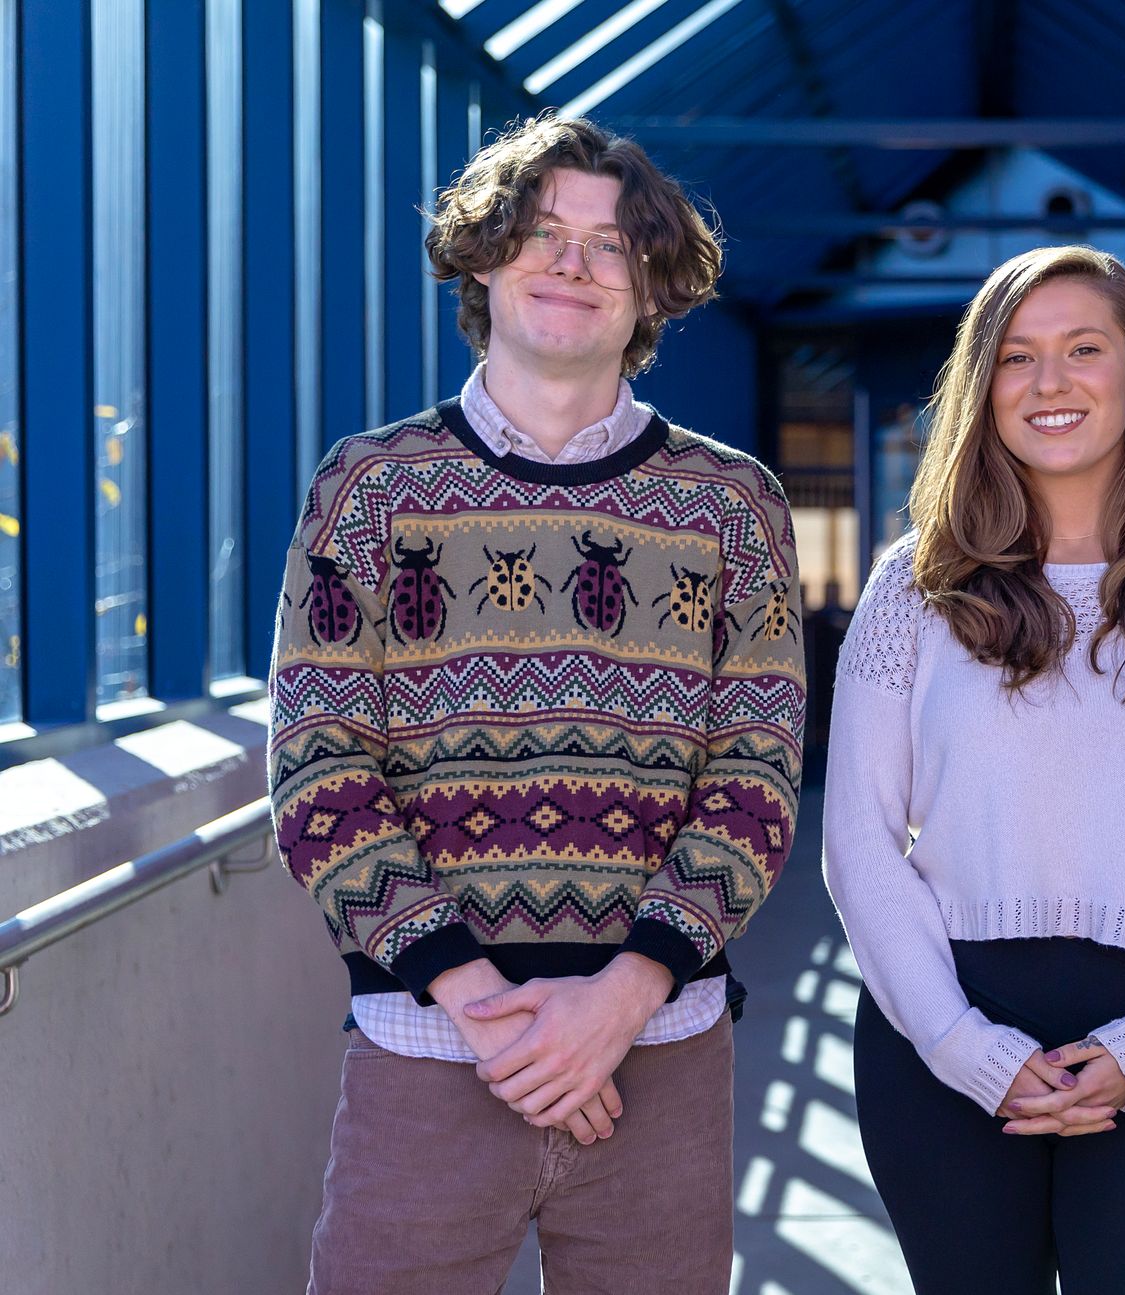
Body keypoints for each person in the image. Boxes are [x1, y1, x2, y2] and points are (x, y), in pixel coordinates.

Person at [266, 113, 805, 1294]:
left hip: (658, 1058)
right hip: (423, 1047)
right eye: (543, 232)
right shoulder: (369, 487)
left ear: (652, 283)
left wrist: (621, 995)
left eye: (611, 245)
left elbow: (755, 781)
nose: (572, 262)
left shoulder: (732, 505)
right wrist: (480, 998)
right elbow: (316, 770)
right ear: (482, 257)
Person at [822, 244, 1125, 1295]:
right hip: (941, 1036)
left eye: (1083, 349)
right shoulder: (913, 587)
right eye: (1016, 357)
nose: (1049, 383)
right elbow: (857, 843)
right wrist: (968, 1049)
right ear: (981, 387)